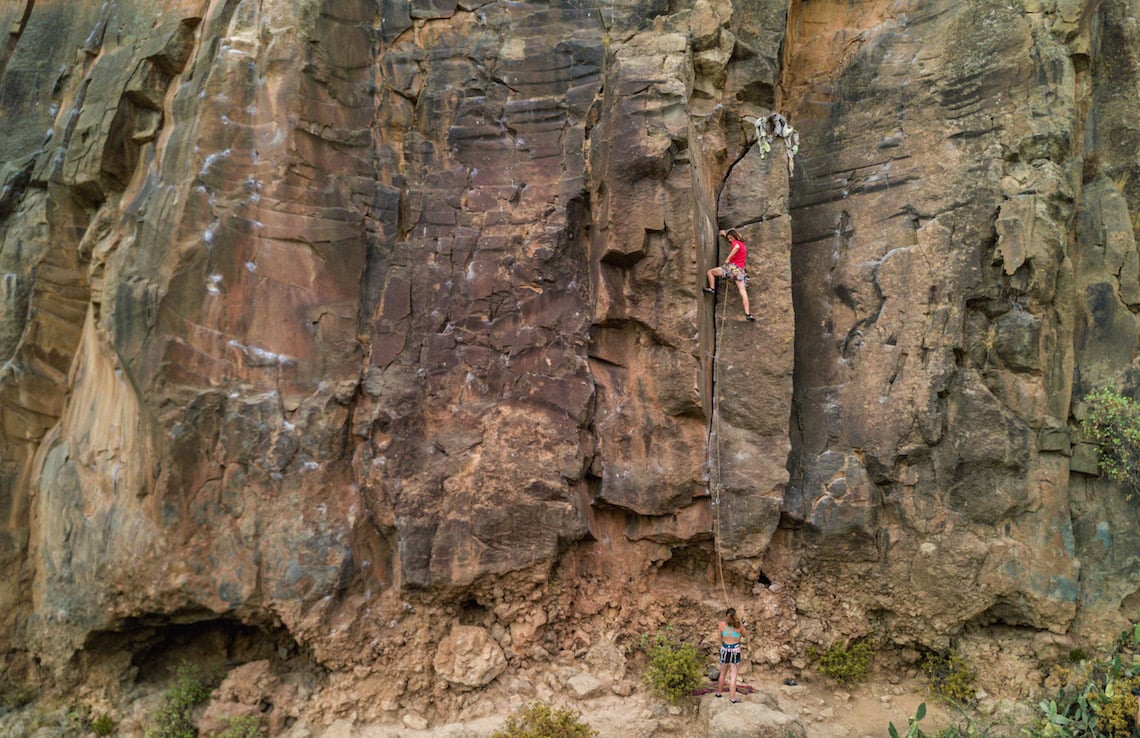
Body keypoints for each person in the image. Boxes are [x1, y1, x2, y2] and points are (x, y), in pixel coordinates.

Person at [704, 229, 755, 321]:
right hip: (740, 271)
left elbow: (736, 247)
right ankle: (748, 314)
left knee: (710, 272)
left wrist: (728, 258)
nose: (730, 240)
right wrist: (724, 235)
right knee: (743, 291)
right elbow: (735, 245)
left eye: (730, 238)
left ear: (733, 237)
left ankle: (712, 288)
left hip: (732, 268)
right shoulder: (742, 244)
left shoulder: (736, 243)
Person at [715, 607, 746, 702]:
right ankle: (732, 697)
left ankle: (719, 693)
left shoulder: (721, 624)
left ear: (726, 615)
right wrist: (743, 625)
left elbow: (719, 637)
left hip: (725, 650)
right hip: (735, 651)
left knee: (723, 673)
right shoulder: (739, 625)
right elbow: (744, 635)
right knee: (733, 675)